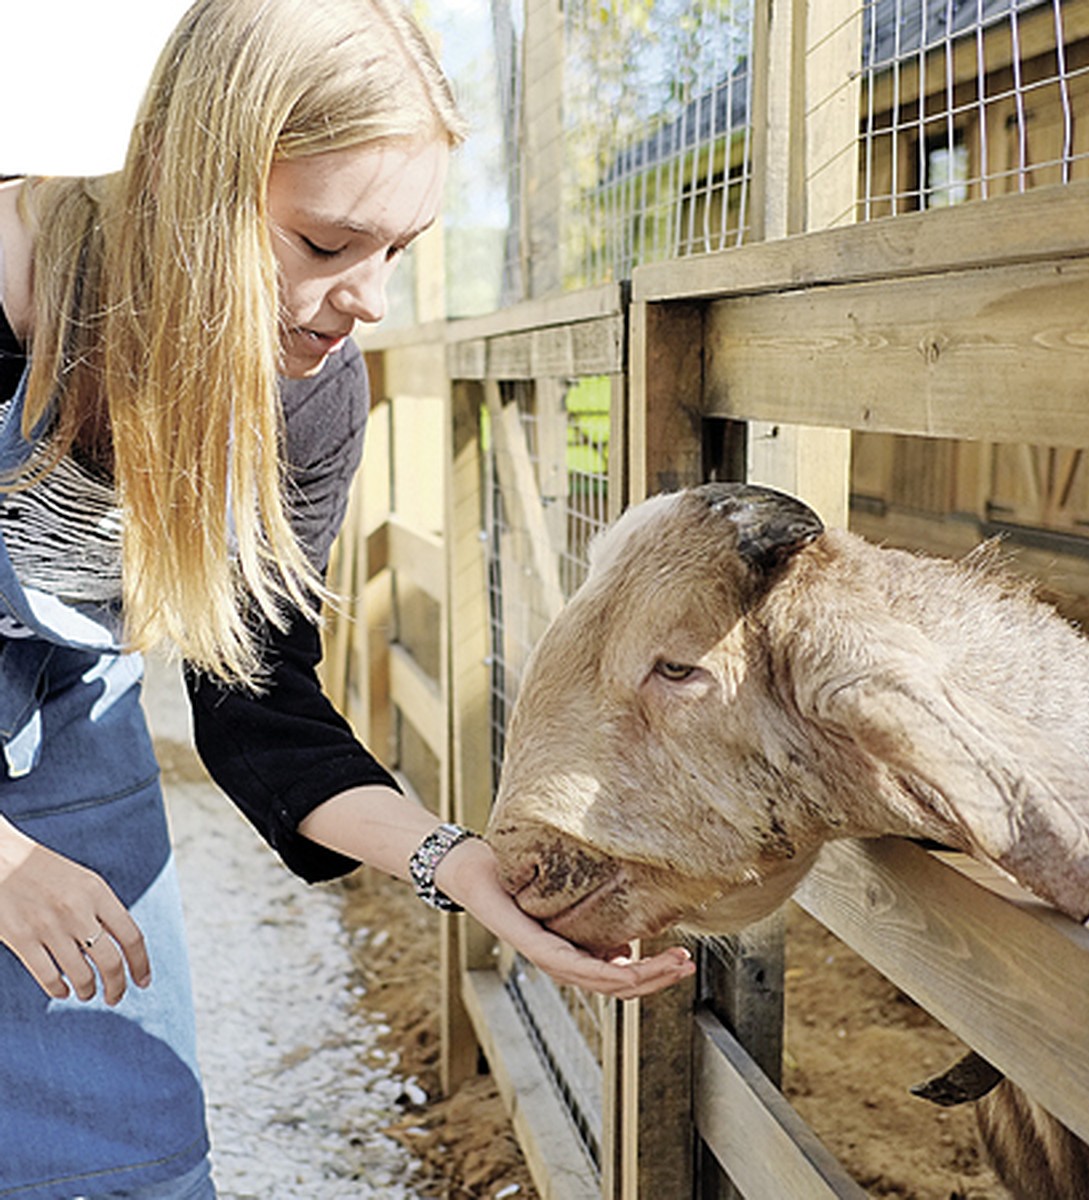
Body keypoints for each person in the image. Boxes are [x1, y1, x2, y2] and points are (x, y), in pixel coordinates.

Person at [0, 2, 694, 1196]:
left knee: (120, 1146)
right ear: (186, 184)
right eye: (325, 246)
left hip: (65, 713)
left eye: (400, 249)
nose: (367, 300)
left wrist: (453, 861)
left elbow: (258, 699)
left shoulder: (307, 393)